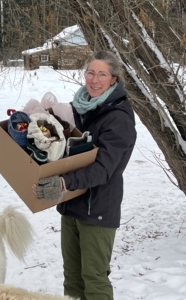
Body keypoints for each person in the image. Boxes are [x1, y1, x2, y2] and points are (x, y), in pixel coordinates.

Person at [33, 50, 137, 300]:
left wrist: (62, 182)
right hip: (72, 205)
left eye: (102, 74)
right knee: (73, 278)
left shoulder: (118, 118)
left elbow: (102, 169)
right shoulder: (81, 107)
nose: (94, 79)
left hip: (98, 209)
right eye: (90, 72)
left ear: (114, 79)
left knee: (94, 279)